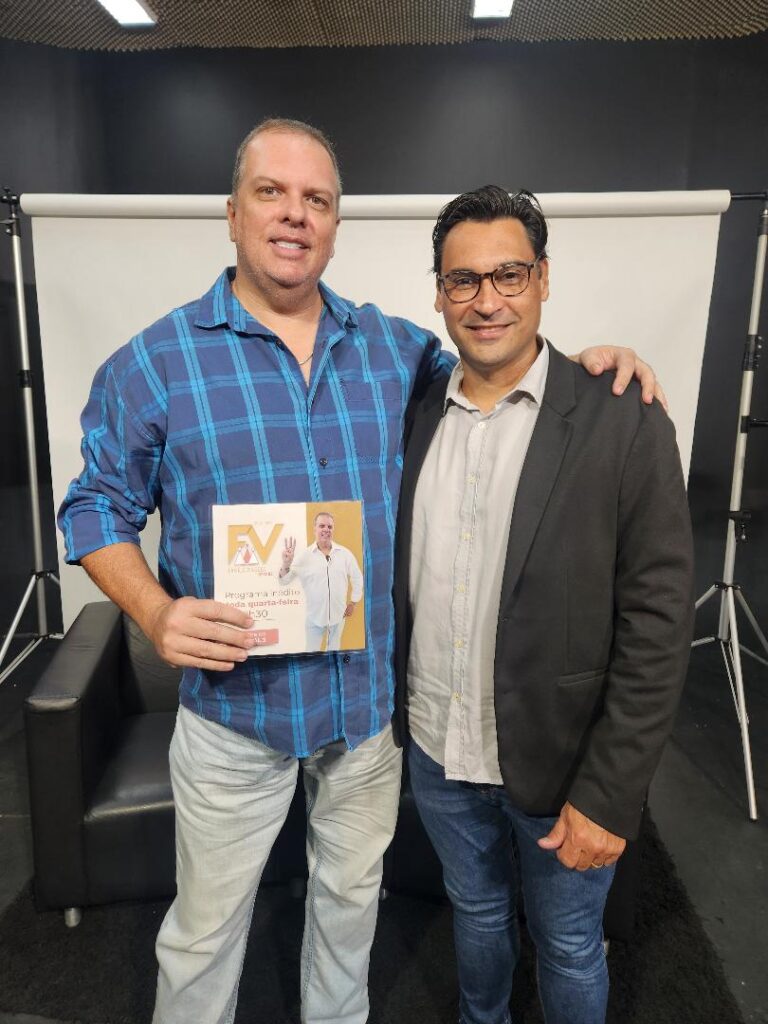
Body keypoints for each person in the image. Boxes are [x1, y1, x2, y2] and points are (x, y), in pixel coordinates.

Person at [58, 117, 662, 1024]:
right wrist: (154, 612)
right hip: (235, 718)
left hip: (364, 720)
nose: (294, 214)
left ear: (336, 225)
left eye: (317, 199)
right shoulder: (155, 362)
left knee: (349, 919)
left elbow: (499, 367)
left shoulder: (395, 352)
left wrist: (589, 369)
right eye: (271, 192)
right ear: (232, 213)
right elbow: (93, 506)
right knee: (204, 936)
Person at [393, 185, 695, 1024]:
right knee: (477, 913)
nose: (486, 300)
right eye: (463, 280)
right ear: (439, 293)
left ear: (544, 278)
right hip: (438, 748)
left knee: (567, 945)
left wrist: (612, 792)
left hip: (564, 766)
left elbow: (659, 623)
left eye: (509, 275)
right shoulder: (413, 412)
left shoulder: (621, 418)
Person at [279, 511, 364, 651]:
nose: (326, 529)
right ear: (315, 528)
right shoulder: (304, 556)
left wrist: (353, 602)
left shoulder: (345, 554)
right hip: (314, 619)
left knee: (334, 652)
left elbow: (357, 577)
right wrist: (286, 563)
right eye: (322, 526)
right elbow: (284, 581)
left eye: (330, 527)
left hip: (338, 617)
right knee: (311, 653)